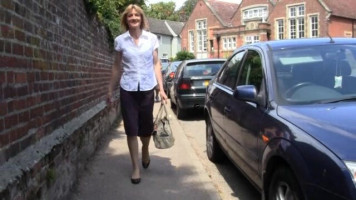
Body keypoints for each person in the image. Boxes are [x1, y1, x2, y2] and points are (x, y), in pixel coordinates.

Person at [107, 4, 167, 184]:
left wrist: (161, 88)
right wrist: (110, 89)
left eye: (137, 15)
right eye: (130, 16)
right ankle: (135, 168)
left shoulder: (151, 39)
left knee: (146, 127)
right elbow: (117, 67)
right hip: (128, 89)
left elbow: (156, 64)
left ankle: (146, 150)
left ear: (141, 18)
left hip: (147, 88)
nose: (133, 18)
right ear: (126, 19)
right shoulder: (120, 41)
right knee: (131, 129)